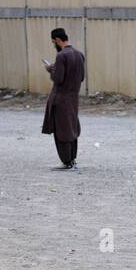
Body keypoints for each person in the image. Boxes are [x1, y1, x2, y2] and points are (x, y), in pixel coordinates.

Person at [41, 28, 86, 169]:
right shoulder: (79, 55)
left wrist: (50, 69)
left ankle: (65, 161)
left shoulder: (61, 56)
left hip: (60, 100)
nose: (54, 44)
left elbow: (58, 79)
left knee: (61, 130)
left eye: (53, 42)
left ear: (58, 40)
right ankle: (72, 159)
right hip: (73, 99)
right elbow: (82, 77)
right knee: (71, 129)